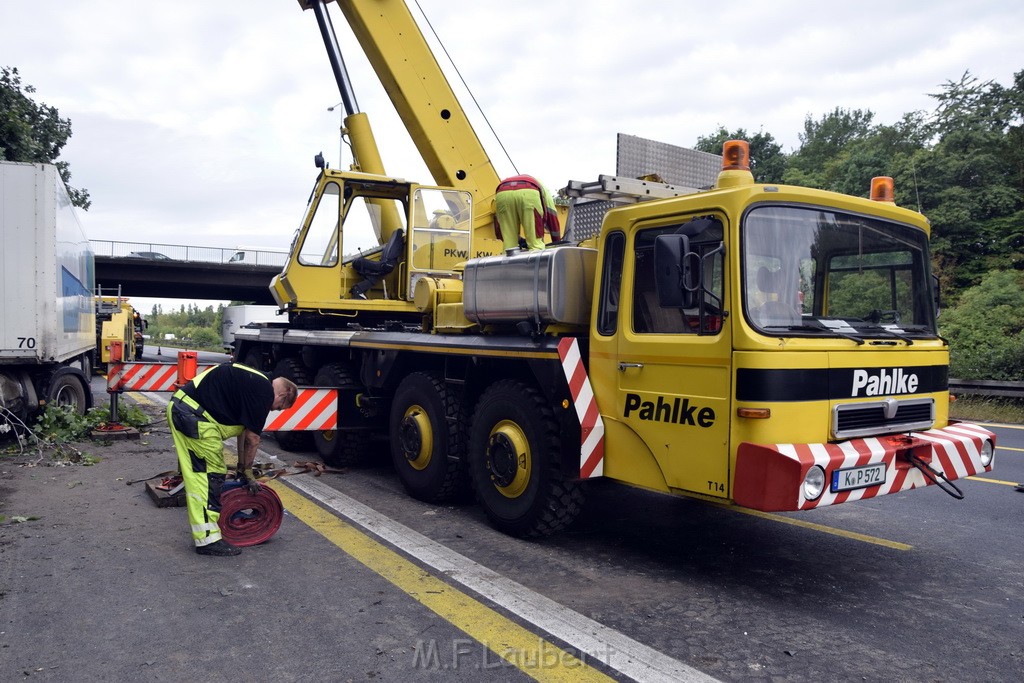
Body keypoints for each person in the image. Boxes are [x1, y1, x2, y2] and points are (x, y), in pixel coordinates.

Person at [166, 363, 298, 556]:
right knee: (208, 477)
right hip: (194, 418)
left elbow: (243, 433)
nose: (274, 410)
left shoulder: (256, 381)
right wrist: (248, 474)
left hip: (188, 412)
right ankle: (207, 540)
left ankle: (207, 531)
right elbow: (252, 438)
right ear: (282, 395)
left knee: (208, 473)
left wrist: (242, 468)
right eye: (279, 408)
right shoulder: (264, 392)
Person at [493, 174, 561, 256]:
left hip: (502, 192)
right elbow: (553, 218)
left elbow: (500, 226)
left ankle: (508, 267)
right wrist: (557, 243)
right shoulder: (546, 192)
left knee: (509, 247)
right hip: (529, 192)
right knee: (535, 246)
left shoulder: (534, 182)